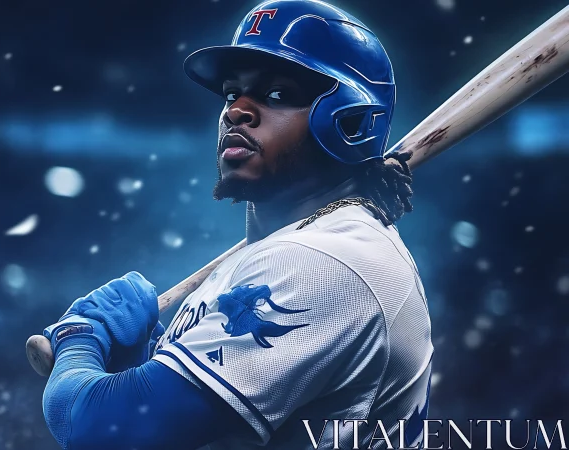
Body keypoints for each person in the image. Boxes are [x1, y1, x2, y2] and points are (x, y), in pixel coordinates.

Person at [40, 1, 433, 449]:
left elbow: (103, 431)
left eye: (278, 93)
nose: (236, 111)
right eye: (231, 94)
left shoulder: (325, 261)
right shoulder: (278, 252)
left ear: (350, 120)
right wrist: (137, 358)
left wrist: (79, 340)